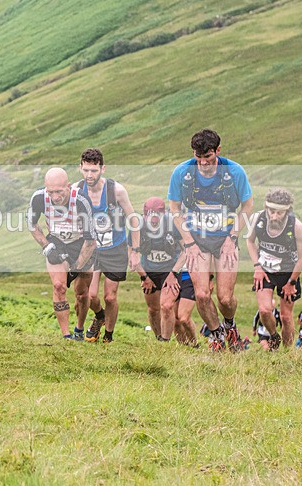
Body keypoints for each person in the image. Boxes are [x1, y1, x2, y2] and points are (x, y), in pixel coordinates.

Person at [167, 129, 254, 351]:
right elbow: (174, 208)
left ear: (218, 151)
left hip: (225, 238)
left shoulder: (234, 172)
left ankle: (230, 325)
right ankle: (217, 335)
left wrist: (232, 237)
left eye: (208, 157)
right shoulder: (182, 173)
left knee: (225, 298)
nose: (204, 162)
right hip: (197, 240)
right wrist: (188, 241)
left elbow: (248, 206)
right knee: (202, 294)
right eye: (199, 157)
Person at [75, 148, 140, 343]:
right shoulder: (76, 190)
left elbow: (134, 220)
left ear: (102, 169)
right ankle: (100, 316)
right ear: (80, 168)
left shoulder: (116, 191)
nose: (89, 175)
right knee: (91, 295)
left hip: (115, 248)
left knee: (110, 297)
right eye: (86, 170)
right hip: (92, 249)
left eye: (93, 171)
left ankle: (108, 336)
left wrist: (135, 251)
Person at [28, 168, 97, 339]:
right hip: (57, 242)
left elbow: (91, 241)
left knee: (81, 293)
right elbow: (31, 223)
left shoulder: (81, 200)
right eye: (50, 192)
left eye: (59, 191)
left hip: (81, 244)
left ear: (68, 186)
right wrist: (46, 246)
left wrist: (76, 268)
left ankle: (79, 329)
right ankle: (66, 336)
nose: (55, 197)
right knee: (59, 286)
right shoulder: (39, 198)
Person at [245, 188, 302, 349]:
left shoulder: (296, 226)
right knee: (265, 310)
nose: (274, 216)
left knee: (286, 317)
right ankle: (274, 337)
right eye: (271, 211)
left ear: (287, 211)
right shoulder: (257, 219)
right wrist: (257, 266)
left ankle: (287, 352)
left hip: (287, 273)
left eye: (279, 213)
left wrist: (291, 282)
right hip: (264, 271)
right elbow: (250, 242)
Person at [134, 197, 199, 345]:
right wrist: (144, 277)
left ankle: (165, 342)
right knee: (153, 309)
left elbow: (186, 250)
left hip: (170, 271)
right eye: (150, 217)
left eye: (157, 217)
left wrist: (174, 273)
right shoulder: (138, 226)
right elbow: (131, 254)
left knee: (167, 306)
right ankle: (159, 340)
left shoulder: (172, 224)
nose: (154, 221)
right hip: (149, 272)